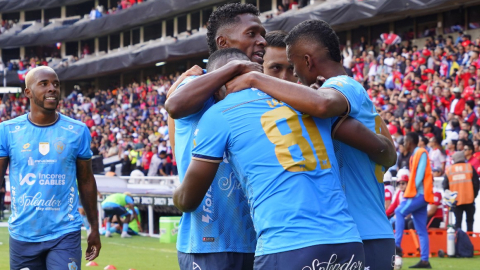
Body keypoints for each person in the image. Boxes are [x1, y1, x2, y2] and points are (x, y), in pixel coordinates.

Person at [226, 20, 396, 270]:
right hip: (350, 234)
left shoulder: (340, 87)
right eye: (276, 70)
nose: (292, 78)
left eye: (293, 68)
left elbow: (325, 105)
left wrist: (255, 80)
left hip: (361, 233)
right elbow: (386, 152)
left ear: (307, 61)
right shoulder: (331, 100)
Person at [174, 48, 366, 269]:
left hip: (287, 246)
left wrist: (176, 194)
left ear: (215, 87)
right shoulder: (303, 101)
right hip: (348, 242)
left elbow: (188, 199)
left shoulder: (219, 114)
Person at [0, 66, 101, 269]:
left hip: (65, 232)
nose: (52, 88)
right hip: (23, 234)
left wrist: (94, 227)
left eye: (56, 84)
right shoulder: (8, 131)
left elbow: (86, 180)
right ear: (28, 92)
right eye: (44, 84)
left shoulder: (77, 131)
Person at [395, 132, 434, 269]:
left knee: (398, 212)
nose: (403, 143)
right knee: (421, 230)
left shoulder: (421, 152)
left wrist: (411, 192)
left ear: (410, 142)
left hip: (419, 194)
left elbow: (419, 176)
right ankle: (424, 261)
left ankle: (397, 246)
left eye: (405, 140)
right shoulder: (414, 155)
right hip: (420, 195)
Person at [443, 151, 479, 232]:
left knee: (458, 222)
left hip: (456, 201)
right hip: (469, 200)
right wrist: (473, 196)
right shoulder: (469, 167)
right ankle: (470, 239)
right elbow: (476, 184)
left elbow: (445, 186)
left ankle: (458, 241)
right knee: (470, 221)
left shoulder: (449, 169)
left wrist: (450, 199)